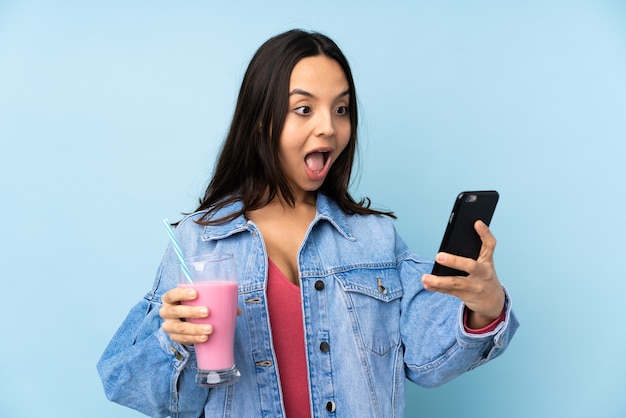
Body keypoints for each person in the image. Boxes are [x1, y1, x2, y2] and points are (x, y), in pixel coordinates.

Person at [97, 29, 519, 418]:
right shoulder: (197, 242)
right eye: (304, 109)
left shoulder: (373, 238)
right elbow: (149, 394)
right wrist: (175, 343)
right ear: (262, 121)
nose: (329, 128)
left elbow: (428, 363)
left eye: (341, 109)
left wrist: (485, 307)